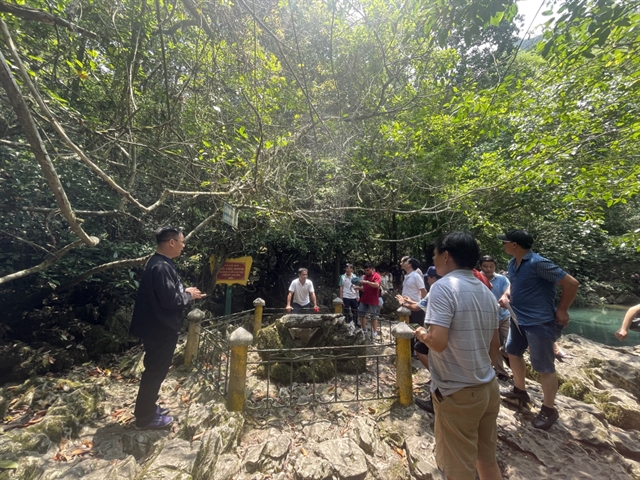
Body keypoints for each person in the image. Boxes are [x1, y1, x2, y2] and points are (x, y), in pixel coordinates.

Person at [414, 232, 502, 480]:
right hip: (488, 387)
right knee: (487, 461)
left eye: (435, 254)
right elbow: (494, 345)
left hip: (457, 392)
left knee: (457, 470)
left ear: (446, 256)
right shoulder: (486, 291)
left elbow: (438, 343)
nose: (433, 259)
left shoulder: (442, 287)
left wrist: (421, 334)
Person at [497, 229, 579, 430]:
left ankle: (549, 409)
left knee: (543, 366)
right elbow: (514, 284)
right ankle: (520, 391)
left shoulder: (538, 263)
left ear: (514, 245)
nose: (503, 245)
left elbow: (571, 283)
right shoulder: (513, 263)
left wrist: (562, 309)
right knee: (512, 351)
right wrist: (506, 294)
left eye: (505, 242)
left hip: (538, 321)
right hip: (517, 318)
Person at [129, 226, 206, 429]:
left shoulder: (158, 262)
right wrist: (189, 295)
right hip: (160, 329)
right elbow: (170, 301)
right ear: (171, 242)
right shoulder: (161, 267)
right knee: (155, 371)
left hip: (155, 327)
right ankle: (145, 418)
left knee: (155, 370)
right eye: (181, 242)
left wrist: (185, 291)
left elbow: (166, 293)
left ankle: (148, 408)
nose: (183, 246)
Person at [398, 265, 441, 413]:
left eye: (428, 278)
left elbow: (417, 307)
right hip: (444, 331)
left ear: (433, 278)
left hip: (435, 330)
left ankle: (436, 379)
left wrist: (403, 303)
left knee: (421, 348)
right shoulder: (449, 287)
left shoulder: (436, 288)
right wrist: (409, 301)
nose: (427, 280)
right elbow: (420, 304)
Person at [479, 255, 511, 381]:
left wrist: (505, 297)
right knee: (494, 344)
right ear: (480, 266)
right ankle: (501, 372)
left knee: (511, 341)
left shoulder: (502, 279)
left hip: (503, 315)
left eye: (491, 266)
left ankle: (506, 353)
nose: (488, 269)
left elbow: (509, 291)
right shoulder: (476, 279)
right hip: (487, 318)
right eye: (485, 266)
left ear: (495, 267)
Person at [356, 262, 382, 339]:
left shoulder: (376, 275)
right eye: (365, 270)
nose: (366, 272)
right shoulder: (365, 277)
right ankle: (364, 329)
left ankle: (375, 332)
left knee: (373, 316)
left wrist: (367, 282)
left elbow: (377, 285)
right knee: (361, 313)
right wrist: (358, 288)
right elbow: (365, 288)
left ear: (371, 269)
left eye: (368, 270)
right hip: (364, 298)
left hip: (373, 299)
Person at [401, 257, 428, 326]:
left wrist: (424, 307)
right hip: (407, 306)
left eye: (406, 262)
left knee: (416, 328)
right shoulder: (407, 276)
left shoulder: (416, 276)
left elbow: (423, 291)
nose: (402, 263)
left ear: (410, 265)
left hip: (415, 307)